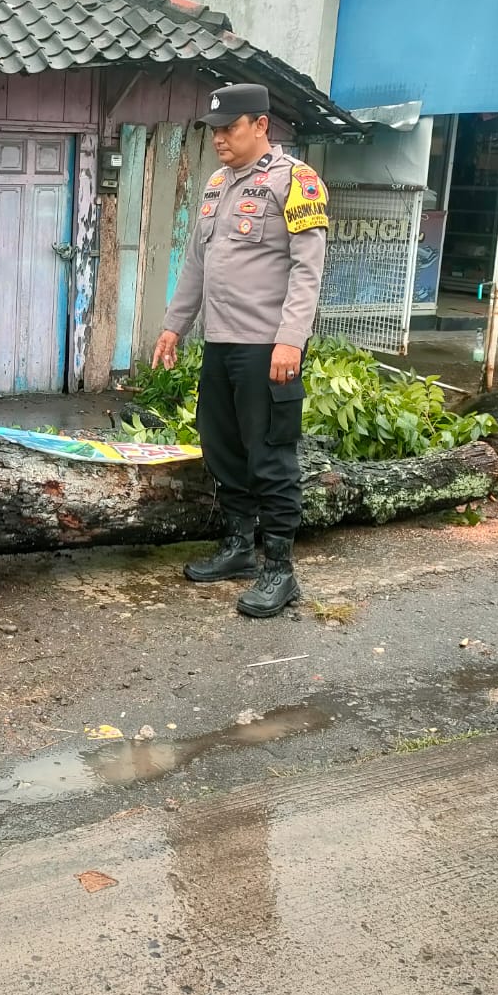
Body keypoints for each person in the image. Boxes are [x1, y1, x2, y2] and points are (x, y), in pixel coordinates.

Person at [153, 83, 328, 617]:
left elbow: (308, 268)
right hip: (221, 343)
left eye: (230, 128)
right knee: (222, 447)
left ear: (260, 126)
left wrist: (290, 341)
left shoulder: (296, 181)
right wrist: (173, 327)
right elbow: (196, 264)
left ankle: (280, 569)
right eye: (215, 131)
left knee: (270, 458)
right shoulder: (216, 185)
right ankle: (238, 547)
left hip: (267, 349)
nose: (220, 139)